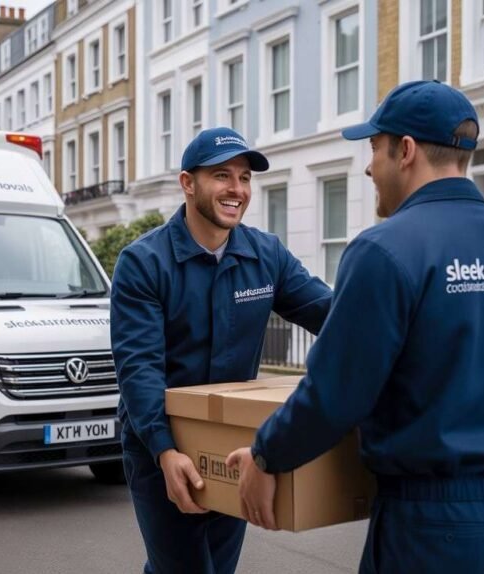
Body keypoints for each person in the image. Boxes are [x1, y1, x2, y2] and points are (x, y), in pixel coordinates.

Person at [227, 81, 484, 573]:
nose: (367, 165)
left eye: (374, 148)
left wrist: (265, 455)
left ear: (405, 151)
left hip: (431, 520)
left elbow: (336, 392)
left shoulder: (385, 249)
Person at [111, 127, 332, 573]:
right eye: (222, 175)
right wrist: (164, 450)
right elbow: (140, 367)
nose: (237, 189)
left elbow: (329, 313)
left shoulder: (265, 254)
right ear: (188, 184)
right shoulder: (143, 263)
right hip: (161, 445)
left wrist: (401, 325)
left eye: (245, 177)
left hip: (230, 443)